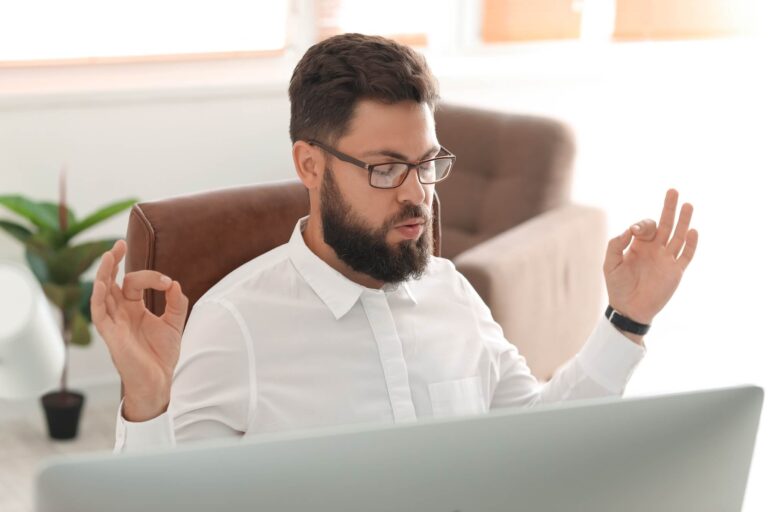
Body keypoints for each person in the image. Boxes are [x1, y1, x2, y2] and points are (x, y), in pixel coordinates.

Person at [91, 33, 698, 452]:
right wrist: (147, 399)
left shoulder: (451, 293)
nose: (416, 195)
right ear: (311, 165)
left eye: (427, 163)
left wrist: (627, 319)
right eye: (384, 168)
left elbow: (538, 439)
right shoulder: (234, 324)